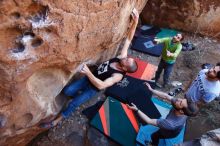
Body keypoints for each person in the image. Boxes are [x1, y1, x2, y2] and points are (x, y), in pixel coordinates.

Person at [40, 8, 139, 128]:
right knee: (67, 91)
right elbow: (128, 40)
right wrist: (135, 21)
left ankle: (56, 121)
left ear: (125, 69)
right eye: (128, 58)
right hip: (87, 79)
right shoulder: (121, 58)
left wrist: (88, 72)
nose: (126, 57)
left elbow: (101, 86)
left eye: (127, 61)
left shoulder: (118, 76)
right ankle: (78, 94)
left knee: (73, 104)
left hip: (93, 88)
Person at [127, 83, 199, 145]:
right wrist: (151, 89)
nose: (178, 99)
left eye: (180, 102)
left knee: (155, 136)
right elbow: (166, 96)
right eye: (182, 99)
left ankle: (153, 144)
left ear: (182, 111)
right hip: (171, 125)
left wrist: (137, 109)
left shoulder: (170, 124)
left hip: (169, 132)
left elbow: (149, 121)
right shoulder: (180, 106)